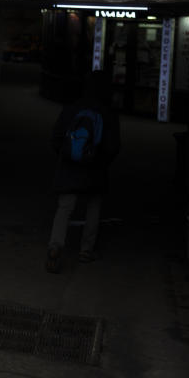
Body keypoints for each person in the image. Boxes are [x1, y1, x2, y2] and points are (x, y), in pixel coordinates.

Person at [45, 70, 120, 273]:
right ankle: (86, 251)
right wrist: (100, 160)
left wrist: (66, 155)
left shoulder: (72, 108)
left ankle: (55, 246)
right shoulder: (107, 112)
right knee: (93, 207)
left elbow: (56, 137)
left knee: (65, 208)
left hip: (69, 167)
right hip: (94, 169)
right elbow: (113, 146)